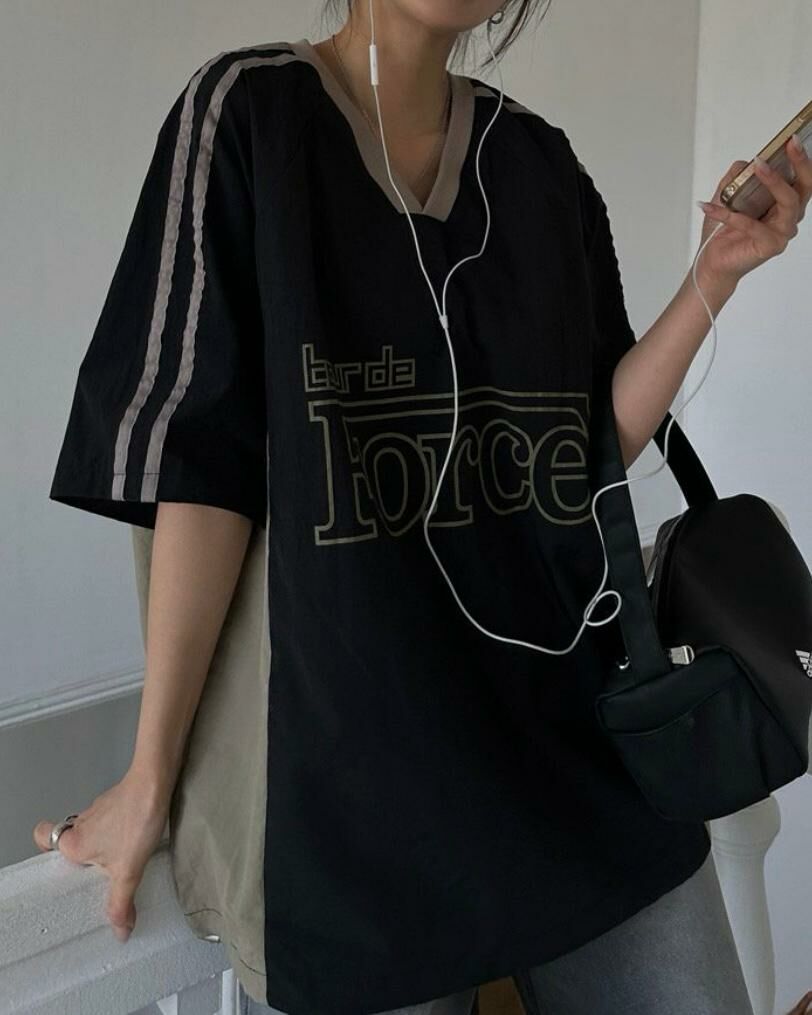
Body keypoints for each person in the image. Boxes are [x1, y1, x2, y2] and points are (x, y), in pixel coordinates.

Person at [37, 1, 810, 1013]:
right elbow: (199, 471)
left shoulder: (535, 164)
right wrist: (150, 773)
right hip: (355, 811)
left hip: (575, 757)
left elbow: (581, 451)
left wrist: (714, 276)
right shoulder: (248, 119)